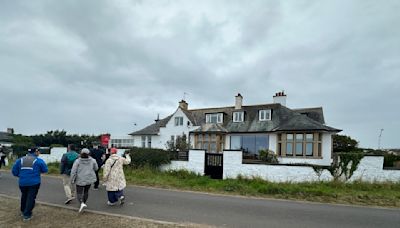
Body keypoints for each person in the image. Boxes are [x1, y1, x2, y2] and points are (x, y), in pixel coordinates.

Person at [12, 147, 48, 221]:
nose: (39, 153)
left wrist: (21, 175)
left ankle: (23, 211)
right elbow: (45, 170)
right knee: (31, 198)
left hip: (22, 182)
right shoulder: (38, 161)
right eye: (38, 152)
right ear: (35, 152)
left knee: (24, 196)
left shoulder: (20, 160)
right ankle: (27, 215)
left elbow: (14, 171)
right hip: (34, 182)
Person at [70, 148, 98, 213]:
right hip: (89, 178)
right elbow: (96, 168)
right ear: (89, 154)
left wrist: (72, 179)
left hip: (80, 179)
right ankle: (83, 203)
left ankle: (81, 203)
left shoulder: (77, 161)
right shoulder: (93, 160)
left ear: (81, 153)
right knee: (86, 191)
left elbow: (73, 171)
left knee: (79, 192)